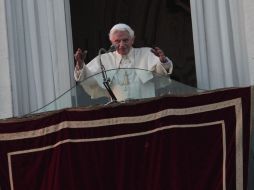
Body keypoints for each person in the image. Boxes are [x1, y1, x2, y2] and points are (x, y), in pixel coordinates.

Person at [74, 23, 173, 102]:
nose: (122, 44)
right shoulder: (104, 59)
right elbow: (90, 80)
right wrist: (80, 66)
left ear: (132, 40)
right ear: (112, 42)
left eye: (125, 40)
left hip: (145, 107)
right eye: (117, 41)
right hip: (118, 112)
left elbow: (161, 73)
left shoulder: (146, 53)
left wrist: (163, 61)